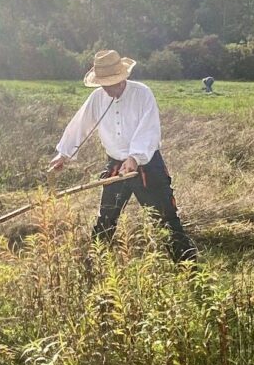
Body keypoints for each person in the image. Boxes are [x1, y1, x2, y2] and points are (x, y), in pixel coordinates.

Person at [49, 49, 197, 263]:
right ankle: (94, 264)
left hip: (147, 166)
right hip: (116, 167)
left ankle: (187, 266)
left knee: (165, 217)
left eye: (112, 84)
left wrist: (135, 157)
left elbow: (149, 129)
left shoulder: (142, 94)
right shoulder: (97, 98)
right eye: (104, 85)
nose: (109, 89)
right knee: (106, 217)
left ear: (123, 77)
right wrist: (64, 154)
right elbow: (81, 124)